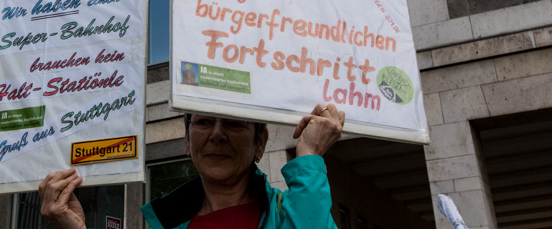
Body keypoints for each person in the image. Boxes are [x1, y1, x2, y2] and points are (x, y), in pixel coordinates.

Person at [39, 103, 345, 228]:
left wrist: (309, 155)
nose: (217, 134)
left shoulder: (292, 213)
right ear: (187, 141)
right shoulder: (165, 223)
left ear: (260, 143)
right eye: (204, 122)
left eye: (234, 123)